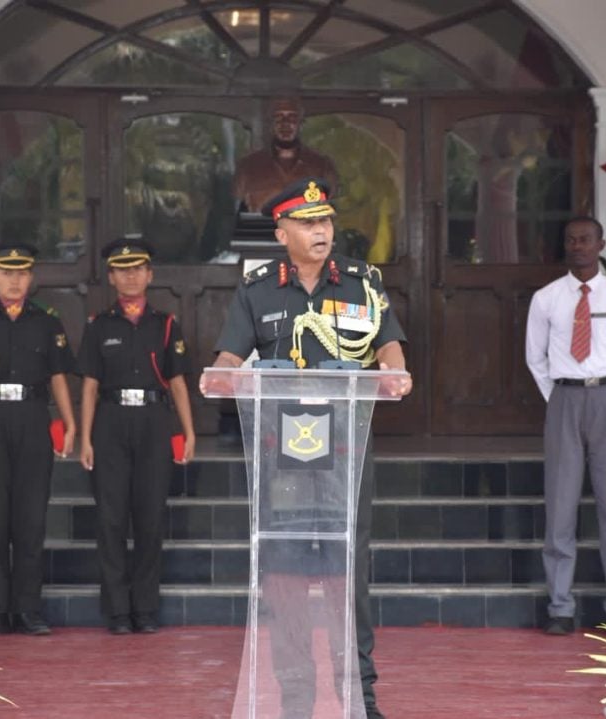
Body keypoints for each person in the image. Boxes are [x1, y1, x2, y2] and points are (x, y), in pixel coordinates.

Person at [200, 177, 411, 719]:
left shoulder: (361, 283)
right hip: (283, 458)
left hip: (346, 453)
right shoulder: (258, 289)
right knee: (285, 577)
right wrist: (220, 376)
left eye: (326, 221)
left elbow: (388, 346)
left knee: (348, 574)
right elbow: (229, 357)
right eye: (308, 223)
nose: (322, 231)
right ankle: (295, 698)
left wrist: (395, 371)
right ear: (282, 233)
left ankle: (358, 698)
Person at [0, 243, 78, 637]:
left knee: (31, 519)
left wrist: (69, 423)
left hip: (33, 418)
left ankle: (28, 610)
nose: (14, 281)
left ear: (31, 278)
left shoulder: (47, 321)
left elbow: (58, 376)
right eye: (6, 273)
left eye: (21, 273)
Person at [524, 216, 606, 636]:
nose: (578, 245)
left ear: (600, 244)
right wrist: (560, 396)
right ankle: (560, 606)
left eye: (586, 239)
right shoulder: (547, 299)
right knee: (560, 507)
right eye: (572, 239)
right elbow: (535, 357)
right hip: (564, 399)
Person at [78, 238, 197, 635]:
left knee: (150, 518)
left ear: (149, 275)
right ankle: (117, 611)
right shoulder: (98, 326)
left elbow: (177, 382)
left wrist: (188, 431)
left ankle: (145, 609)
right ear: (111, 277)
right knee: (111, 520)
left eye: (137, 269)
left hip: (153, 421)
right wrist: (85, 438)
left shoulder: (165, 325)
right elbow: (90, 387)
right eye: (122, 270)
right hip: (110, 422)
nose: (130, 276)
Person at [233, 97, 338, 214]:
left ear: (301, 123)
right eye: (278, 117)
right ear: (270, 124)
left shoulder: (322, 165)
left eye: (292, 117)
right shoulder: (247, 166)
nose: (285, 123)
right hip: (261, 226)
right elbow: (237, 205)